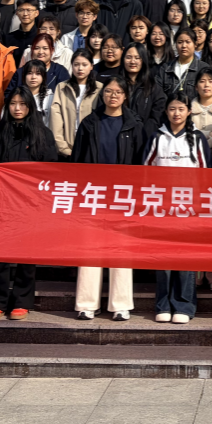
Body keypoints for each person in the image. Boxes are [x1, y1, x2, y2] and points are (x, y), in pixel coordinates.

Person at [0, 88, 59, 321]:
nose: (17, 108)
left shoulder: (42, 134)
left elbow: (51, 169)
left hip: (31, 203)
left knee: (27, 254)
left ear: (30, 106)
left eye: (22, 104)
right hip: (2, 202)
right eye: (13, 103)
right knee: (0, 254)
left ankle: (22, 302)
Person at [71, 77, 144, 320]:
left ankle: (120, 304)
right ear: (103, 95)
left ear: (125, 96)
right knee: (90, 248)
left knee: (121, 249)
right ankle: (86, 303)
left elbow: (140, 162)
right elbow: (77, 160)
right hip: (93, 193)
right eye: (109, 91)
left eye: (118, 92)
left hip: (123, 195)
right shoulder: (90, 123)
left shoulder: (134, 125)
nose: (113, 95)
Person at [144, 93, 212, 324]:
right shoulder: (157, 137)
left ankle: (184, 305)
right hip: (162, 208)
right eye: (172, 109)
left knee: (185, 258)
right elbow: (146, 172)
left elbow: (205, 175)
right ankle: (163, 304)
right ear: (166, 111)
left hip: (189, 208)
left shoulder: (197, 138)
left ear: (189, 112)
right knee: (163, 258)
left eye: (181, 109)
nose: (176, 113)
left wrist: (201, 207)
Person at [50, 49, 100, 156]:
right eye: (76, 64)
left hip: (91, 150)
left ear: (91, 66)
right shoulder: (62, 87)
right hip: (67, 148)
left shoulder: (100, 88)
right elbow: (56, 118)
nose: (80, 68)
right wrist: (63, 148)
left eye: (84, 65)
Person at [122, 41, 166, 139]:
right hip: (119, 138)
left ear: (144, 60)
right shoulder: (115, 85)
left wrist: (142, 135)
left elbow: (157, 117)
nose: (132, 61)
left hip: (143, 139)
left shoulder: (153, 88)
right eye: (128, 57)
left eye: (137, 58)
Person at [160, 28, 209, 97]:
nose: (184, 46)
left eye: (188, 42)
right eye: (180, 42)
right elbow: (158, 95)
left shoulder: (203, 68)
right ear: (175, 45)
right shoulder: (165, 68)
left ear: (195, 44)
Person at [17, 61, 54, 125]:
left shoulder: (50, 97)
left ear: (43, 77)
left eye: (38, 73)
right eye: (29, 73)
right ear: (24, 76)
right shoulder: (16, 95)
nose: (33, 77)